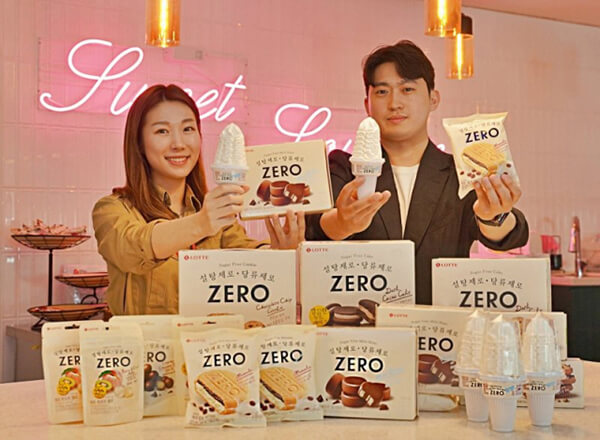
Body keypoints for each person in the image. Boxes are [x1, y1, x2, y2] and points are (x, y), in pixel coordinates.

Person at [306, 40, 528, 304]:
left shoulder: (460, 172)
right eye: (382, 92)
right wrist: (344, 223)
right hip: (361, 321)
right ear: (367, 104)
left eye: (407, 89)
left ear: (433, 99)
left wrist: (494, 216)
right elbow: (316, 227)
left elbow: (509, 237)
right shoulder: (344, 167)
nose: (394, 103)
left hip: (439, 322)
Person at [93, 84, 305, 315]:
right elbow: (132, 247)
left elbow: (246, 257)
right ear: (139, 143)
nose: (178, 144)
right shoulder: (112, 209)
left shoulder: (215, 217)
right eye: (162, 131)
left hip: (209, 337)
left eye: (188, 129)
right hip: (143, 338)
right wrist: (201, 223)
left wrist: (279, 253)